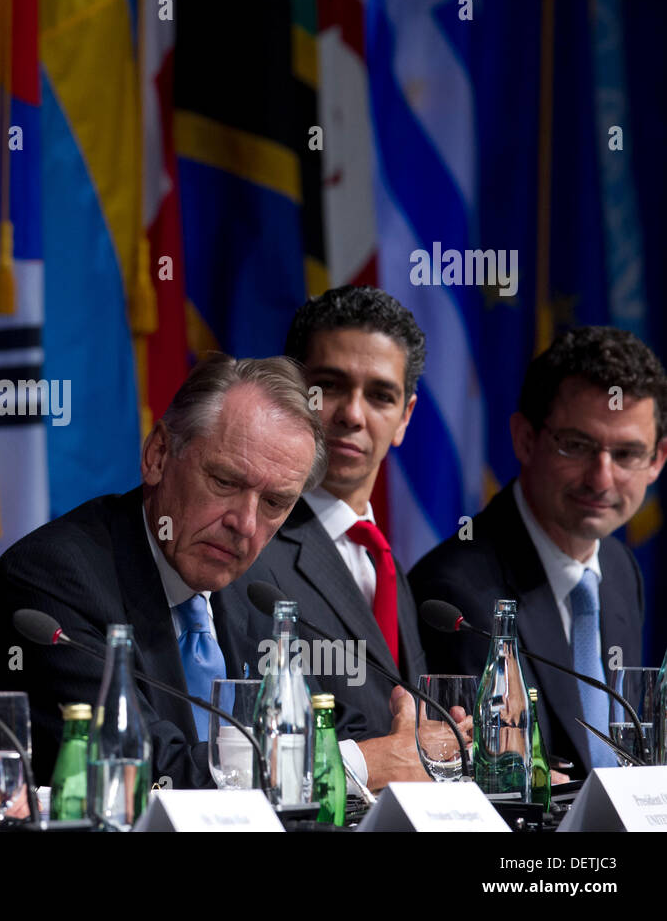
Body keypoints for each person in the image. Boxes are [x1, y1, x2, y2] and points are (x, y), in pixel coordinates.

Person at [0, 354, 327, 788]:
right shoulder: (52, 579)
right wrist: (346, 764)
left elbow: (318, 722)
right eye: (224, 482)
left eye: (275, 503)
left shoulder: (253, 595)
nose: (245, 523)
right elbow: (145, 772)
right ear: (158, 455)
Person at [412, 326, 667, 776]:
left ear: (657, 460)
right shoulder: (456, 590)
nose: (602, 479)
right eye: (577, 446)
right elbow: (491, 775)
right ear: (525, 439)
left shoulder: (619, 567)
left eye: (627, 453)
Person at [231, 286, 433, 790]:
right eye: (331, 386)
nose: (353, 415)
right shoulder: (248, 547)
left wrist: (442, 739)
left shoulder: (382, 558)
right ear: (292, 392)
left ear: (405, 417)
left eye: (380, 396)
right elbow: (270, 735)